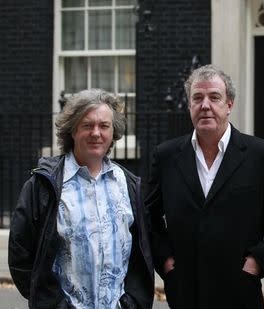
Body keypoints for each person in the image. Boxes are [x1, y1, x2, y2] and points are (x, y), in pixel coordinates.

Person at [146, 64, 264, 309]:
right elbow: (148, 216)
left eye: (214, 97)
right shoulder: (166, 156)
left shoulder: (261, 155)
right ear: (189, 106)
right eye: (197, 98)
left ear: (229, 105)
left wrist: (257, 261)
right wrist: (165, 261)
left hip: (239, 293)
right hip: (185, 294)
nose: (205, 105)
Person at [8, 89, 154, 308]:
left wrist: (131, 303)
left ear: (113, 132)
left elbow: (141, 255)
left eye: (104, 126)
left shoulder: (128, 184)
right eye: (87, 125)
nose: (96, 133)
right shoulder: (43, 185)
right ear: (72, 130)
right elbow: (20, 254)